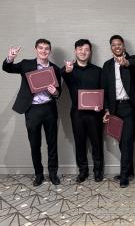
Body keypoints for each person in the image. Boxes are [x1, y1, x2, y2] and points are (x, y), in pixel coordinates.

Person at [2, 39, 61, 186]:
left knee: (52, 143)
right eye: (40, 48)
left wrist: (55, 92)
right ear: (36, 49)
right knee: (35, 144)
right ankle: (39, 174)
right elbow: (7, 68)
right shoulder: (26, 64)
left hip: (49, 109)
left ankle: (53, 174)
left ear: (50, 51)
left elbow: (59, 93)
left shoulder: (55, 68)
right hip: (32, 109)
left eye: (46, 48)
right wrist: (10, 58)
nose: (43, 51)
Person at [61, 39, 104, 183]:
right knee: (79, 143)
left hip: (95, 113)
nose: (83, 51)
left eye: (86, 49)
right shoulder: (69, 69)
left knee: (97, 143)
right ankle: (83, 171)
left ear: (90, 52)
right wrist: (67, 70)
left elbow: (103, 92)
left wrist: (101, 106)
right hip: (77, 113)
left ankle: (98, 171)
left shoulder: (98, 71)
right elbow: (63, 73)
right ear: (75, 51)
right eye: (80, 49)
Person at [102, 35, 135, 188]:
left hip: (129, 106)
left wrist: (125, 63)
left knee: (126, 140)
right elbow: (105, 88)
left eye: (119, 44)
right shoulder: (106, 65)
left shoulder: (134, 60)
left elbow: (134, 63)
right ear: (111, 47)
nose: (117, 47)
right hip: (114, 108)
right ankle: (129, 169)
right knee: (121, 141)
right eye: (113, 45)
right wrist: (106, 110)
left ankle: (124, 175)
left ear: (124, 46)